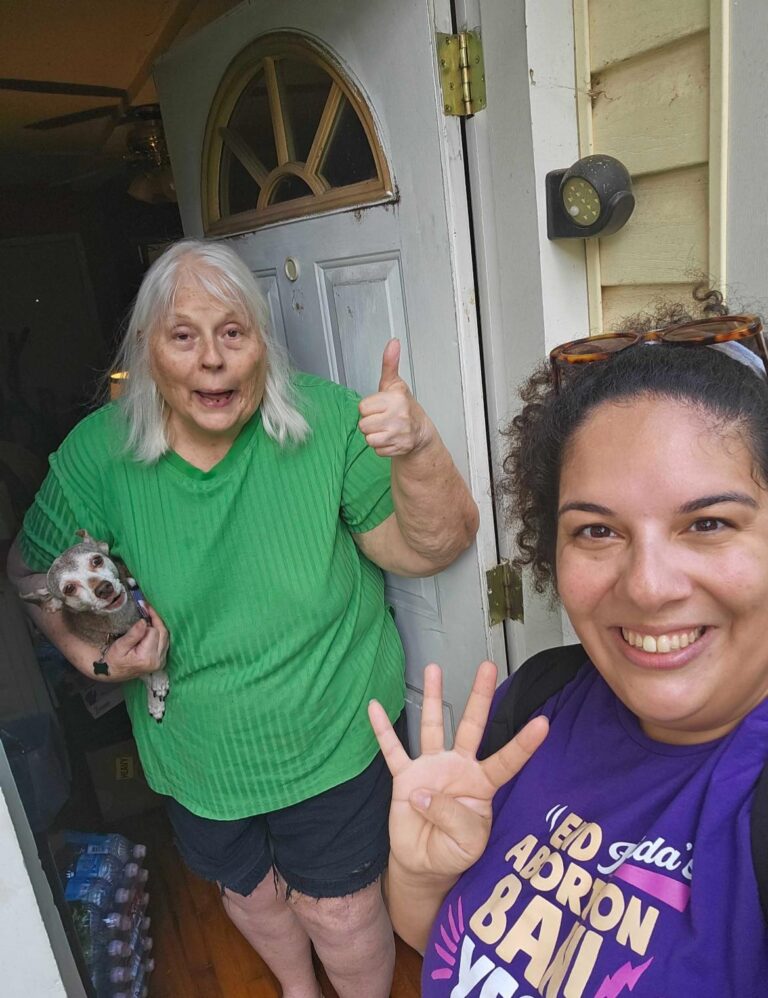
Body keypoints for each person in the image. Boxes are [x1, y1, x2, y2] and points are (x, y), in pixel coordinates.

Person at [8, 238, 479, 998]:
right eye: (183, 336)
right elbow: (28, 569)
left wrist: (419, 447)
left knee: (341, 911)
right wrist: (94, 660)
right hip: (196, 756)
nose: (212, 360)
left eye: (234, 332)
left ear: (263, 345)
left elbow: (433, 545)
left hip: (329, 734)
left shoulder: (324, 419)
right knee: (251, 894)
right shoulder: (99, 455)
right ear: (147, 353)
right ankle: (297, 991)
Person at [369, 308, 768, 996]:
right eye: (597, 530)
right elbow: (434, 941)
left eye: (707, 523)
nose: (646, 587)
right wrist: (423, 871)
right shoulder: (540, 698)